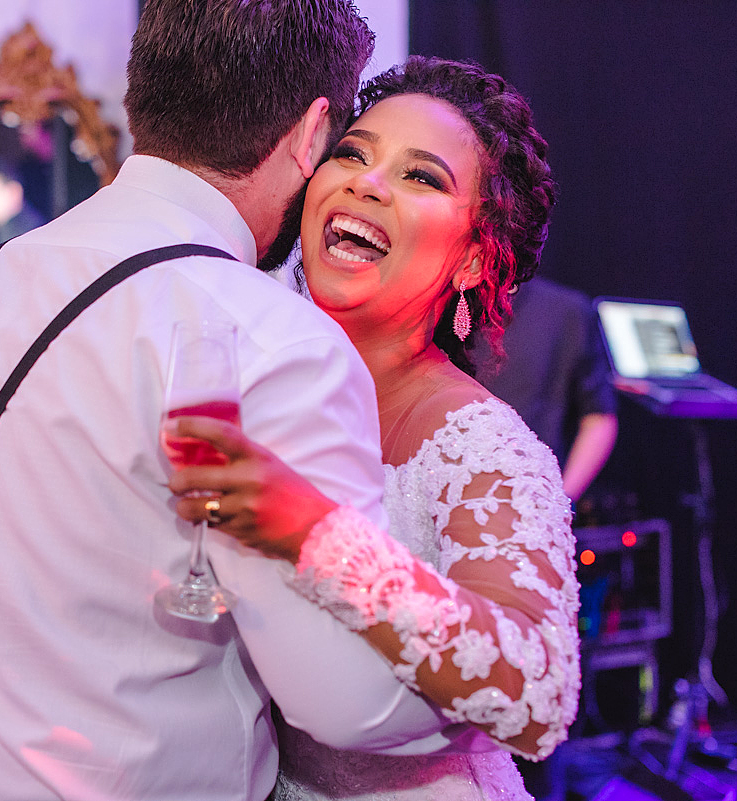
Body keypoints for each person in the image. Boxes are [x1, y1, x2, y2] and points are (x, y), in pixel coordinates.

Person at [0, 4, 477, 800]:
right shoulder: (269, 339)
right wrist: (486, 676)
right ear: (311, 132)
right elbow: (348, 699)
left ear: (142, 94)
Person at [166, 57, 579, 799]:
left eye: (422, 176)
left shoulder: (479, 442)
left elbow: (539, 695)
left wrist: (314, 531)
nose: (366, 181)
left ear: (475, 257)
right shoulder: (252, 377)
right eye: (352, 153)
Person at [477, 276, 618, 502]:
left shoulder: (566, 310)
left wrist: (561, 504)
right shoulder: (441, 303)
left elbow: (599, 418)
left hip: (530, 500)